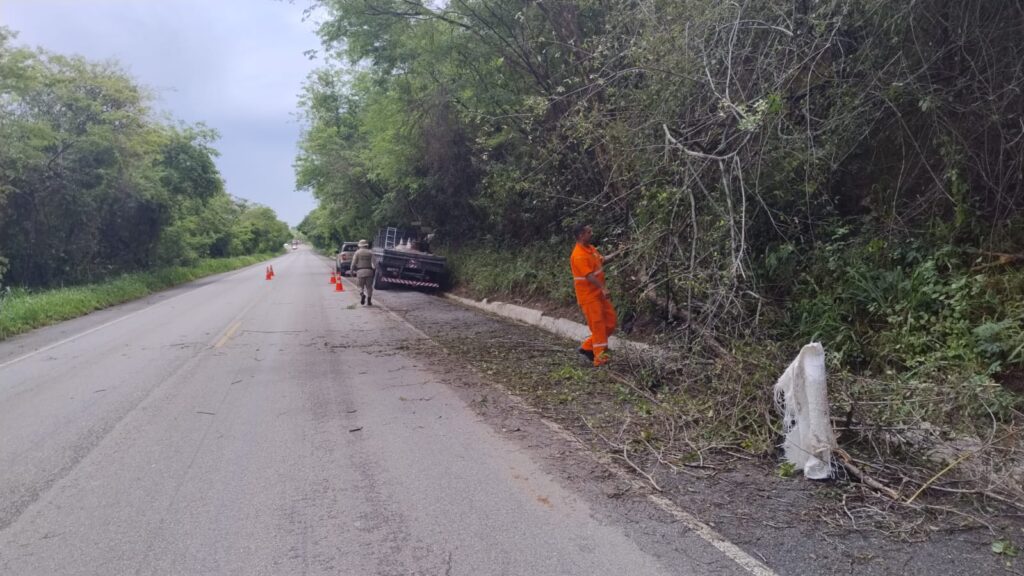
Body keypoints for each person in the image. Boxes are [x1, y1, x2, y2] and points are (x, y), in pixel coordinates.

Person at [570, 223, 616, 366]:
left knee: (611, 323)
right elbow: (589, 275)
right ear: (580, 235)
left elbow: (602, 260)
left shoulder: (591, 249)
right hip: (589, 297)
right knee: (598, 327)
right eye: (588, 232)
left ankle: (587, 348)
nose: (592, 234)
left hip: (599, 295)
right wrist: (603, 288)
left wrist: (618, 253)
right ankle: (601, 360)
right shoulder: (578, 255)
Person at [350, 239, 375, 306]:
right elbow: (374, 264)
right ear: (366, 245)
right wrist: (374, 271)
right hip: (369, 272)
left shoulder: (357, 252)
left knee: (359, 286)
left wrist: (351, 270)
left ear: (360, 245)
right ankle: (369, 301)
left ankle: (362, 294)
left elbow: (353, 263)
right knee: (369, 287)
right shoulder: (370, 252)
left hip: (360, 272)